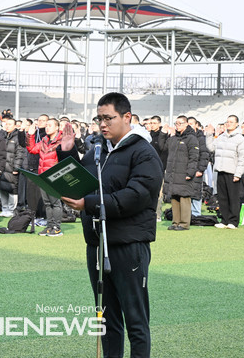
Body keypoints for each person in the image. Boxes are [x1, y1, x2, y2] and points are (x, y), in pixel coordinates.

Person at [60, 92, 163, 358]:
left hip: (128, 245)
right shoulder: (97, 150)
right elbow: (78, 181)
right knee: (106, 320)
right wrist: (67, 152)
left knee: (136, 321)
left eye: (109, 118)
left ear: (127, 117)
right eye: (99, 118)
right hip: (96, 243)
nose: (102, 124)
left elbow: (136, 197)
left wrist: (89, 204)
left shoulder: (144, 152)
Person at [205, 115, 244, 229]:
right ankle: (224, 220)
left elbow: (242, 158)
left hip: (232, 172)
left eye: (231, 122)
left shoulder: (240, 139)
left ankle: (233, 221)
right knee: (222, 197)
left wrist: (238, 174)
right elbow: (211, 148)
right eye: (227, 122)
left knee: (233, 197)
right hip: (220, 170)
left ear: (237, 124)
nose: (228, 124)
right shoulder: (221, 137)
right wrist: (209, 134)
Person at [26, 117, 64, 236]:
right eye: (46, 125)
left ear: (57, 127)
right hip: (42, 175)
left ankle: (57, 227)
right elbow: (32, 149)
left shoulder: (62, 141)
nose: (47, 127)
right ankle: (49, 226)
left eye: (50, 125)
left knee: (56, 203)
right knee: (47, 203)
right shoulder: (44, 140)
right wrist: (30, 136)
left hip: (55, 176)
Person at [162, 115, 199, 231]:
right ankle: (175, 222)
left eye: (180, 123)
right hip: (173, 173)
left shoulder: (191, 138)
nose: (177, 126)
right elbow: (162, 147)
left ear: (186, 124)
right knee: (174, 198)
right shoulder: (173, 138)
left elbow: (194, 157)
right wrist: (163, 134)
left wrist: (190, 172)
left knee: (184, 198)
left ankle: (184, 223)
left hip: (184, 173)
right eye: (176, 123)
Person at [0, 117, 24, 216]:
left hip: (12, 167)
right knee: (2, 187)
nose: (7, 126)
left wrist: (16, 167)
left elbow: (20, 153)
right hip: (2, 167)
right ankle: (4, 209)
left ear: (15, 126)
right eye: (6, 124)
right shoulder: (3, 136)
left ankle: (11, 209)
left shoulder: (18, 137)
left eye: (10, 124)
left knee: (12, 188)